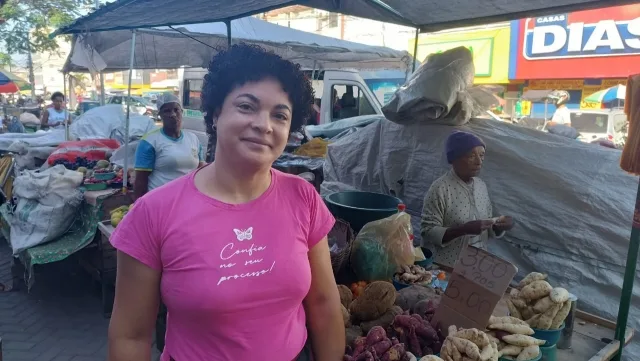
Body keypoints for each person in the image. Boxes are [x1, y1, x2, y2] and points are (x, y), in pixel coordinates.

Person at [108, 44, 344, 361]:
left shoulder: (303, 198)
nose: (264, 125)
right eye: (247, 107)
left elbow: (324, 304)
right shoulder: (154, 212)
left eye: (280, 115)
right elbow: (131, 336)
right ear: (216, 112)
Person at [420, 131, 514, 268]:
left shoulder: (481, 185)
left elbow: (487, 226)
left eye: (482, 155)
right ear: (454, 159)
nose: (479, 161)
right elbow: (427, 232)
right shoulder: (440, 188)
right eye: (471, 155)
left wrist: (499, 226)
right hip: (446, 269)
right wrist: (463, 229)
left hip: (477, 268)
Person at [133, 92, 206, 200]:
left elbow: (201, 170)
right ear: (160, 115)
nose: (172, 114)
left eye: (176, 110)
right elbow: (140, 181)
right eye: (167, 111)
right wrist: (139, 207)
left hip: (188, 200)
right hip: (161, 202)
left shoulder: (193, 139)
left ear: (182, 112)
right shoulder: (149, 142)